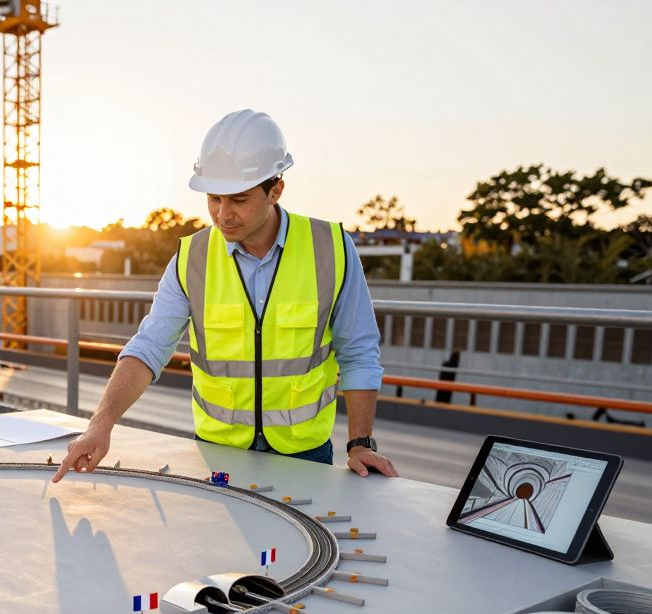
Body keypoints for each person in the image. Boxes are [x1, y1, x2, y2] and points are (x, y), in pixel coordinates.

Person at [54, 110, 397, 482]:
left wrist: (360, 443)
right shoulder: (192, 258)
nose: (223, 214)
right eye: (214, 199)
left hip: (305, 453)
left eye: (239, 200)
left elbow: (358, 350)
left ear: (275, 190)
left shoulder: (330, 248)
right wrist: (100, 423)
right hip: (217, 454)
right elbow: (149, 346)